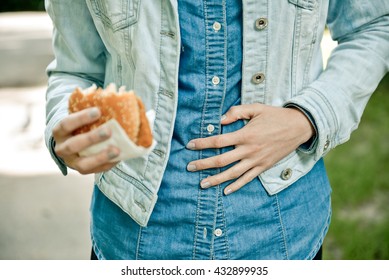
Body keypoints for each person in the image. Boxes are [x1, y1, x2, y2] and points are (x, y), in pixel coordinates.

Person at [44, 0, 389, 260]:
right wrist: (68, 128)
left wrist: (307, 117)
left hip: (282, 234)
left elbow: (375, 25)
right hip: (134, 241)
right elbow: (75, 69)